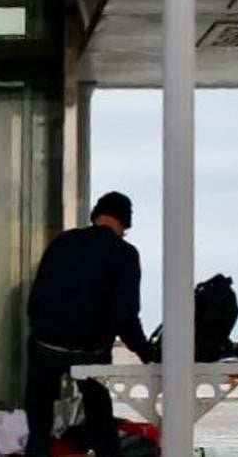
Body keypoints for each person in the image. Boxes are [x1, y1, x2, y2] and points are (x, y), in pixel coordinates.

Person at [25, 191, 153, 457]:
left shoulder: (63, 242)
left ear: (96, 215)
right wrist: (147, 353)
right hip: (89, 352)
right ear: (125, 223)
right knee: (99, 414)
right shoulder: (125, 254)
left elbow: (35, 300)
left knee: (39, 415)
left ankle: (37, 450)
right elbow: (125, 316)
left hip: (46, 344)